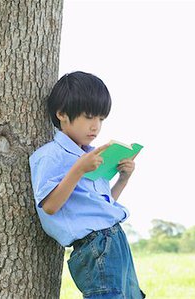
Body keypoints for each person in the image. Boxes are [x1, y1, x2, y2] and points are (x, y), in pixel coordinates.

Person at [29, 71, 146, 298]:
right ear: (62, 114)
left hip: (115, 238)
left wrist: (123, 178)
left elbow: (102, 206)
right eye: (89, 117)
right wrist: (79, 169)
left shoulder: (92, 155)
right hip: (94, 245)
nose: (96, 126)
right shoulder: (50, 156)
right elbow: (50, 207)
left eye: (101, 119)